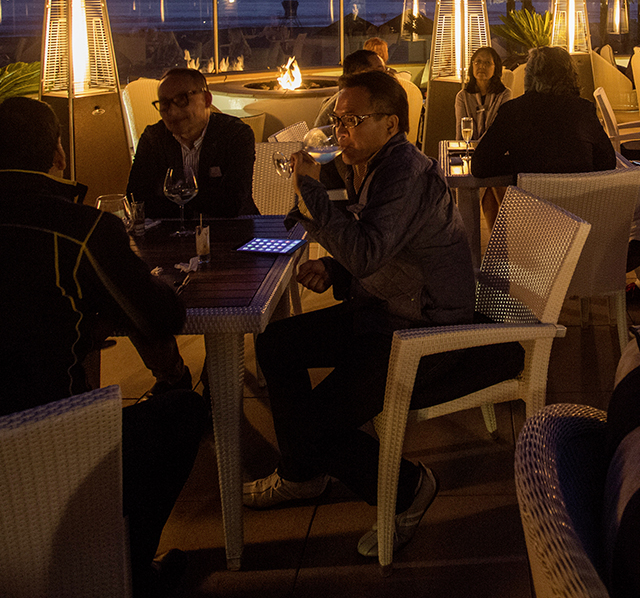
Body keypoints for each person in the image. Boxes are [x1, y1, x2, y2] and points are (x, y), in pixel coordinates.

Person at [244, 71, 478, 557]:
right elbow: (381, 248)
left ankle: (410, 488)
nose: (341, 131)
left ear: (391, 123)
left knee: (313, 424)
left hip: (424, 326)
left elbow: (370, 252)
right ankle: (303, 474)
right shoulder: (370, 164)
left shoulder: (404, 172)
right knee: (274, 343)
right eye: (337, 119)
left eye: (353, 120)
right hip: (386, 308)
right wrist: (335, 268)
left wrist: (309, 190)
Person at [0, 96, 207, 597]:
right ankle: (127, 569)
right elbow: (159, 318)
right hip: (37, 444)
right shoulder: (78, 230)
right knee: (182, 414)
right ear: (58, 153)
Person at [127, 66, 257, 219]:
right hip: (170, 234)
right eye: (165, 104)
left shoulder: (235, 134)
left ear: (206, 99)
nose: (173, 112)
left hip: (232, 229)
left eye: (182, 100)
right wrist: (204, 198)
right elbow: (136, 198)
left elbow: (232, 202)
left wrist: (170, 196)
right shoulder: (154, 137)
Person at [471, 46, 616, 182]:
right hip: (578, 206)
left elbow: (479, 166)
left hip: (529, 206)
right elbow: (608, 162)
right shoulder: (583, 110)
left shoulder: (514, 111)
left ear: (530, 76)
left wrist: (519, 162)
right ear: (569, 76)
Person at [313, 48, 385, 128]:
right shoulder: (347, 108)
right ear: (361, 73)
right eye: (380, 71)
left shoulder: (369, 100)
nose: (386, 76)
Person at [455, 46, 511, 139]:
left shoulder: (504, 94)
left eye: (487, 63)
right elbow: (461, 132)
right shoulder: (462, 96)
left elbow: (500, 128)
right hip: (470, 149)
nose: (481, 66)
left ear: (496, 68)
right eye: (478, 62)